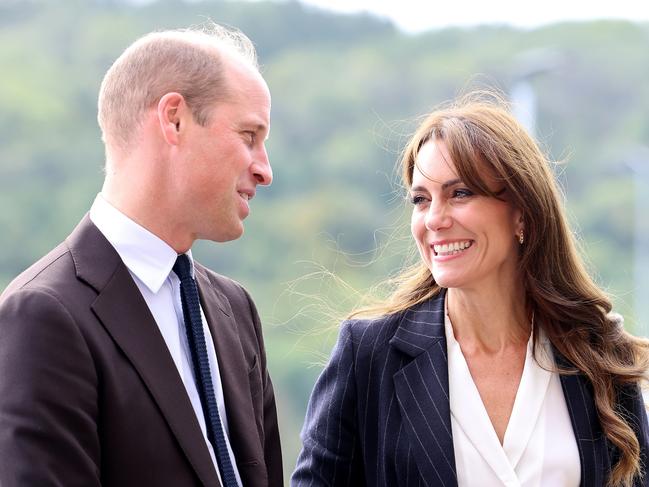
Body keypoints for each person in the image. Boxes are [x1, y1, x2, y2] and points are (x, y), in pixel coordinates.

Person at [292, 93, 649, 486]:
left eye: (460, 193)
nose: (435, 219)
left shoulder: (597, 352)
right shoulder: (369, 354)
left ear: (522, 212)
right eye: (421, 199)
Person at [0, 25, 282, 487]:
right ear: (174, 119)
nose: (265, 169)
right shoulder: (42, 315)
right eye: (249, 135)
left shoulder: (235, 310)